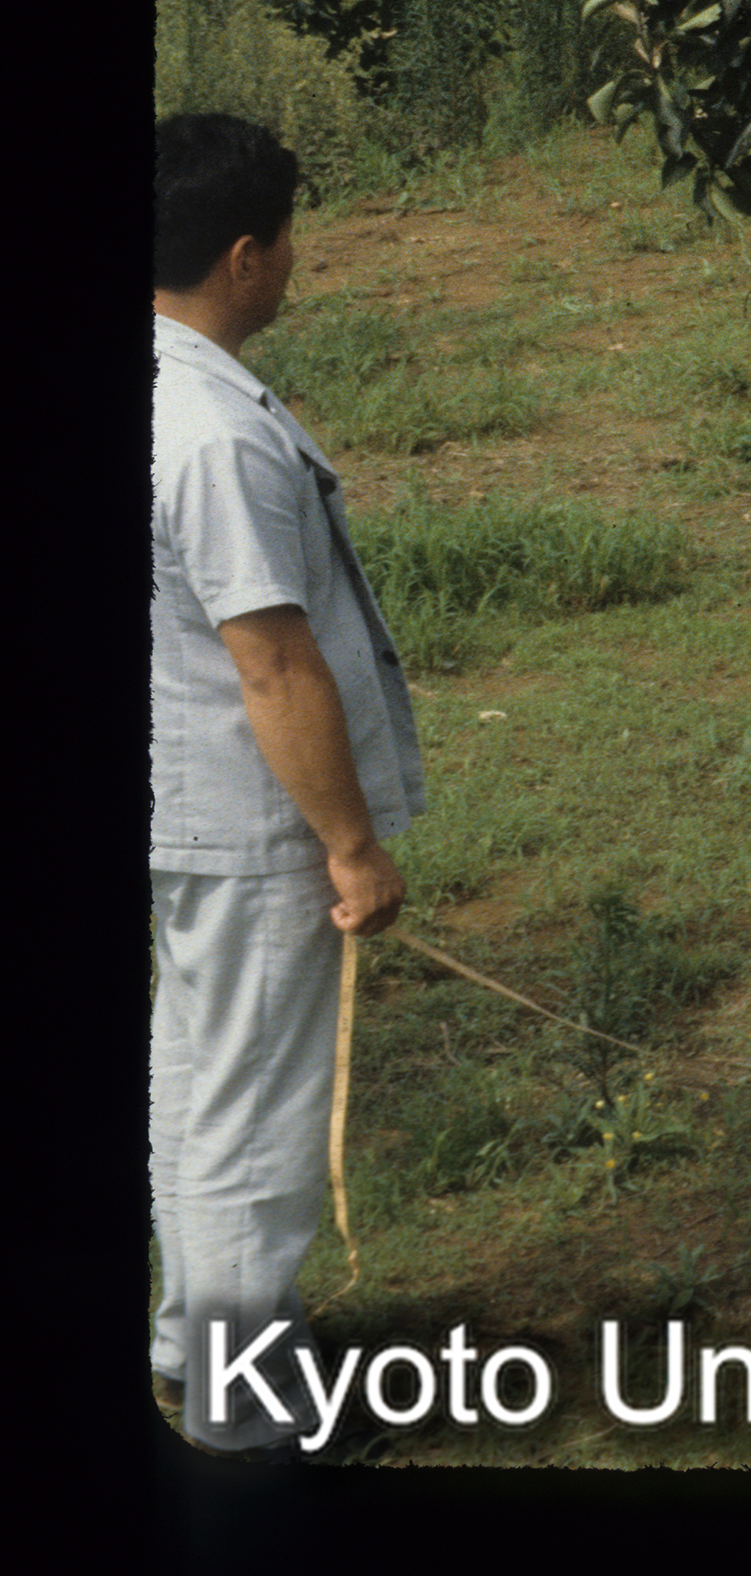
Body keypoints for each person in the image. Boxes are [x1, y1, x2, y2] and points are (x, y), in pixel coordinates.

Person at [151, 113, 426, 1458]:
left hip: (175, 795)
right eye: (290, 242)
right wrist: (350, 844)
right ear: (246, 256)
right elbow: (270, 659)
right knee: (254, 1113)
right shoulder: (211, 432)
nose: (295, 265)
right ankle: (246, 1408)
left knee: (198, 1071)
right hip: (247, 810)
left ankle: (186, 1335)